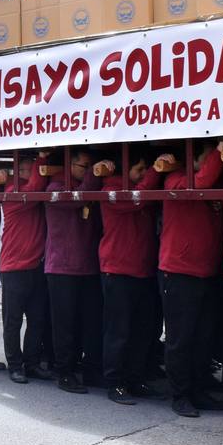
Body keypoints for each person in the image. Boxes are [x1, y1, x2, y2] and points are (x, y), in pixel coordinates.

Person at [151, 145, 223, 417]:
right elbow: (203, 180)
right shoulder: (176, 179)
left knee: (203, 337)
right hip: (178, 270)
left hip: (206, 271)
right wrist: (219, 151)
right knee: (180, 339)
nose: (213, 163)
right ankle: (180, 394)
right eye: (207, 158)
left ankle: (197, 390)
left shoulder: (212, 184)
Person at [91, 155, 163, 405]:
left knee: (141, 331)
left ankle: (134, 378)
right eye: (139, 169)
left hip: (142, 270)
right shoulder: (111, 189)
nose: (144, 174)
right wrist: (155, 171)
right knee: (118, 331)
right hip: (117, 270)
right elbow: (135, 199)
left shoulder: (141, 189)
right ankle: (114, 382)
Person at [44, 149, 103, 393]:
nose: (89, 171)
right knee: (64, 324)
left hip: (88, 265)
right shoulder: (54, 189)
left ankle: (90, 369)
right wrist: (93, 175)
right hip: (61, 266)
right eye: (84, 166)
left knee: (90, 322)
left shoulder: (89, 187)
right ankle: (64, 372)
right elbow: (80, 196)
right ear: (69, 165)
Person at [0, 156, 46, 381]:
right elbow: (34, 186)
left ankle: (31, 363)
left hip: (35, 265)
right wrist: (41, 158)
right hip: (14, 267)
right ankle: (15, 365)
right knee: (13, 321)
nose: (33, 173)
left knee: (37, 319)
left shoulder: (32, 193)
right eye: (28, 169)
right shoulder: (13, 191)